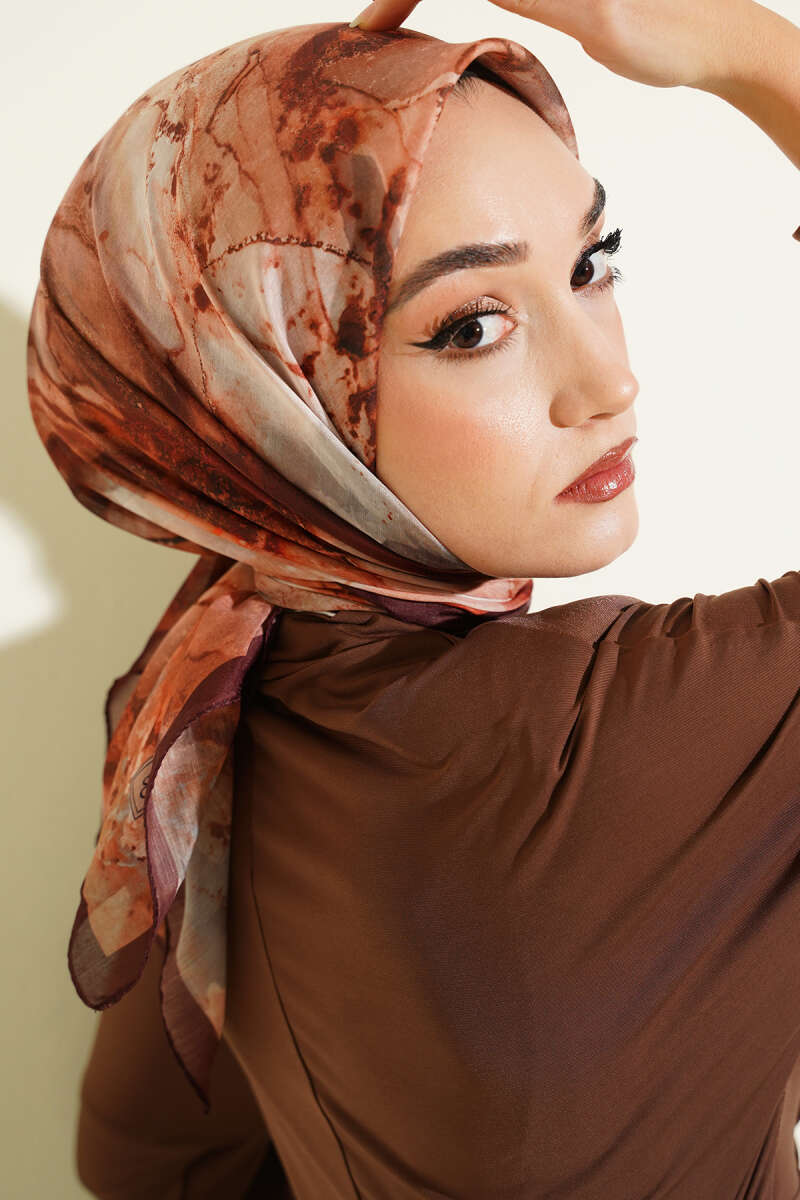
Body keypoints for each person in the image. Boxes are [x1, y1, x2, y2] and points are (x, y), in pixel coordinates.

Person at [25, 1, 800, 1196]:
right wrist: (752, 52)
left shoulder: (202, 702)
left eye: (590, 264)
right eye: (471, 325)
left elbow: (140, 1157)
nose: (609, 381)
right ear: (265, 398)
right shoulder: (595, 745)